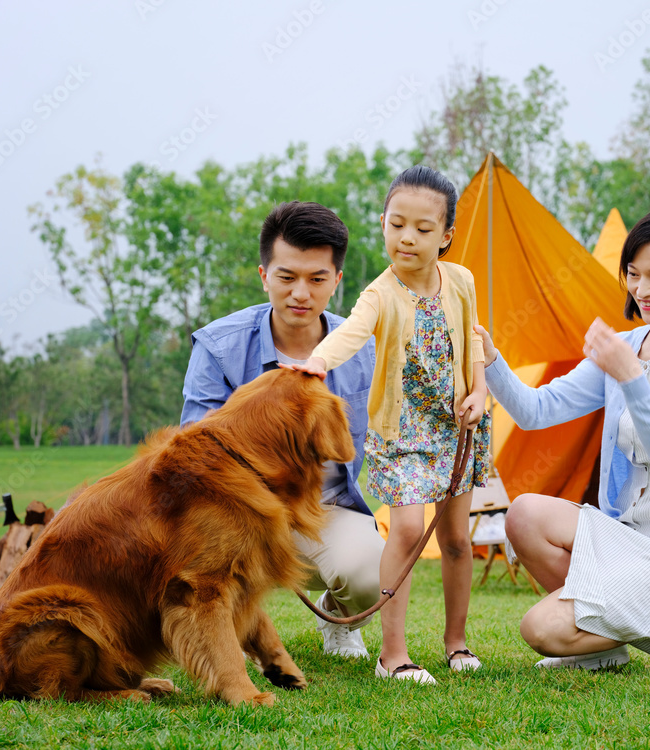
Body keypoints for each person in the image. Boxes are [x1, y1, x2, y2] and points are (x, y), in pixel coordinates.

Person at [475, 208, 650, 673]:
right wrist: (490, 357)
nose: (642, 290)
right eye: (633, 274)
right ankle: (604, 646)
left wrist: (632, 377)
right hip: (629, 539)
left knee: (540, 630)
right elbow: (535, 411)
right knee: (522, 516)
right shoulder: (628, 346)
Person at [287, 165, 491, 685]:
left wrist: (480, 393)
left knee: (456, 540)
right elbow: (350, 334)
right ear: (382, 223)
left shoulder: (462, 280)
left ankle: (457, 643)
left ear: (445, 236)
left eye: (423, 229)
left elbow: (473, 345)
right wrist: (317, 362)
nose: (407, 237)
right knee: (404, 530)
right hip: (402, 434)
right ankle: (392, 656)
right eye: (397, 223)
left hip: (456, 430)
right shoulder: (379, 293)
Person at [181, 200, 384, 660]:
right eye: (286, 277)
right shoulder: (219, 347)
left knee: (374, 573)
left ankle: (339, 617)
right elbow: (191, 449)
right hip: (239, 513)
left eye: (316, 279)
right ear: (263, 275)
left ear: (336, 281)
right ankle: (223, 630)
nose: (300, 293)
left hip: (326, 510)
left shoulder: (365, 352)